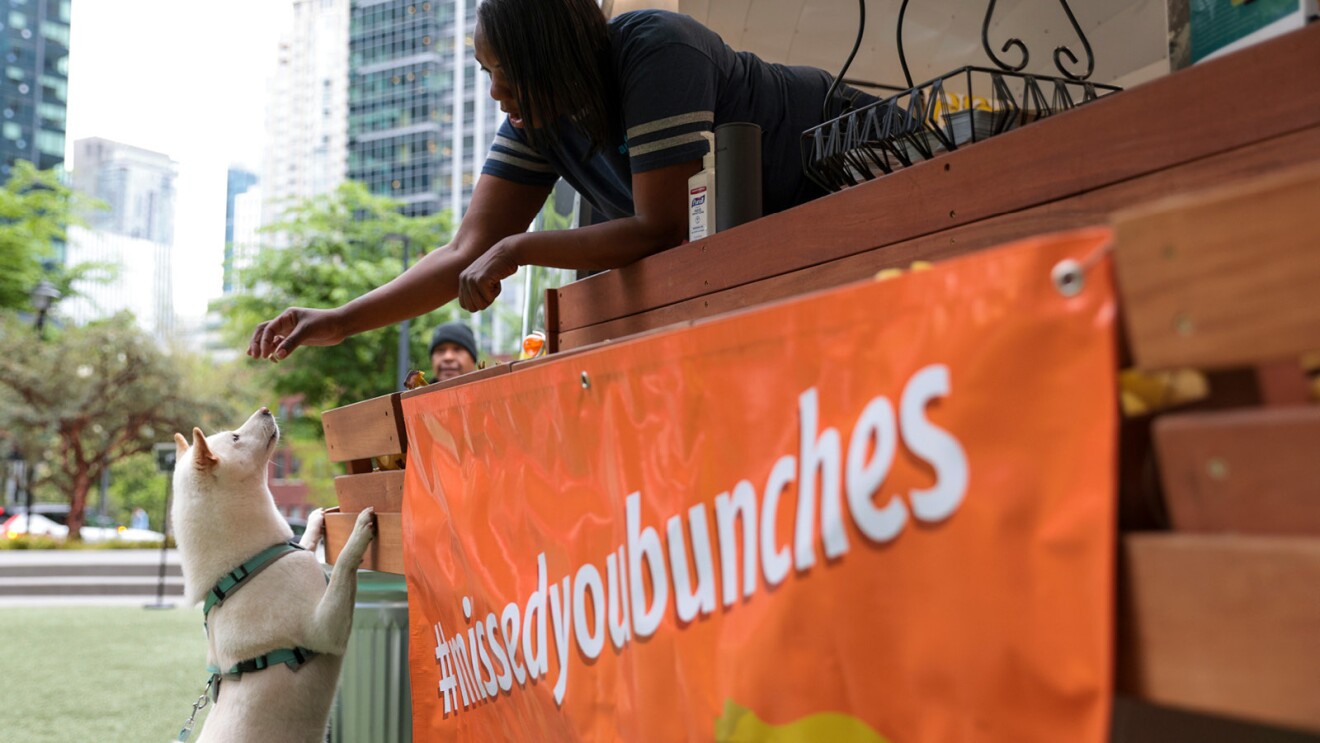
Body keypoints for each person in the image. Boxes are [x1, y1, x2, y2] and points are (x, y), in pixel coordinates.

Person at [249, 0, 874, 362]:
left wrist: (522, 248)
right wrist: (339, 319)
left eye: (508, 71)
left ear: (553, 57)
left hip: (854, 160)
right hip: (779, 239)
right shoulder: (539, 118)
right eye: (485, 70)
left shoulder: (656, 50)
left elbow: (663, 228)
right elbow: (466, 251)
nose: (495, 92)